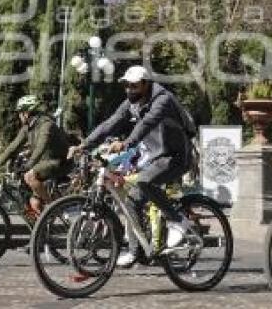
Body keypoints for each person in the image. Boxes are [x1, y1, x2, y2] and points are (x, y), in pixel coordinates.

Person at [67, 65, 195, 268]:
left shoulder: (163, 100)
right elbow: (111, 123)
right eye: (126, 85)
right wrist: (84, 145)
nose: (129, 90)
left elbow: (146, 124)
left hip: (177, 156)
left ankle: (178, 221)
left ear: (146, 84)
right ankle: (139, 252)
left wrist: (127, 143)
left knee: (144, 182)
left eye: (134, 86)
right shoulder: (131, 103)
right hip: (156, 158)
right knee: (132, 201)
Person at [0, 95, 71, 216]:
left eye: (20, 113)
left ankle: (52, 206)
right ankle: (41, 231)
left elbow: (41, 146)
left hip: (59, 162)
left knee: (29, 176)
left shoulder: (46, 124)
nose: (18, 116)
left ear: (26, 113)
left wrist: (29, 164)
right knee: (33, 204)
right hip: (44, 163)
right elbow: (13, 147)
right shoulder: (27, 127)